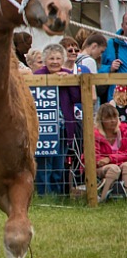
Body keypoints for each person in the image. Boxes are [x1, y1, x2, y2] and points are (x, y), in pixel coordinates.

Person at [34, 44, 82, 195]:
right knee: (44, 163)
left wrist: (69, 81)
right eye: (51, 58)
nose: (55, 62)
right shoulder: (37, 76)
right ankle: (43, 196)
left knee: (59, 163)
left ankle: (58, 195)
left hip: (64, 126)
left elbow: (77, 97)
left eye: (58, 58)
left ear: (63, 59)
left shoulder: (68, 74)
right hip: (44, 127)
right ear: (45, 60)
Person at [92, 103, 127, 202]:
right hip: (100, 168)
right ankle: (102, 199)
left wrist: (110, 159)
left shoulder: (124, 131)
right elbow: (94, 157)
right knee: (114, 168)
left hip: (117, 163)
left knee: (126, 166)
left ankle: (124, 198)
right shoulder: (95, 134)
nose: (113, 121)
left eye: (115, 117)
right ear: (101, 120)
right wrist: (104, 161)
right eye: (108, 118)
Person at [99, 11, 127, 103]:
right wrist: (110, 68)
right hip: (117, 98)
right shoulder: (111, 44)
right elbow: (98, 68)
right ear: (122, 25)